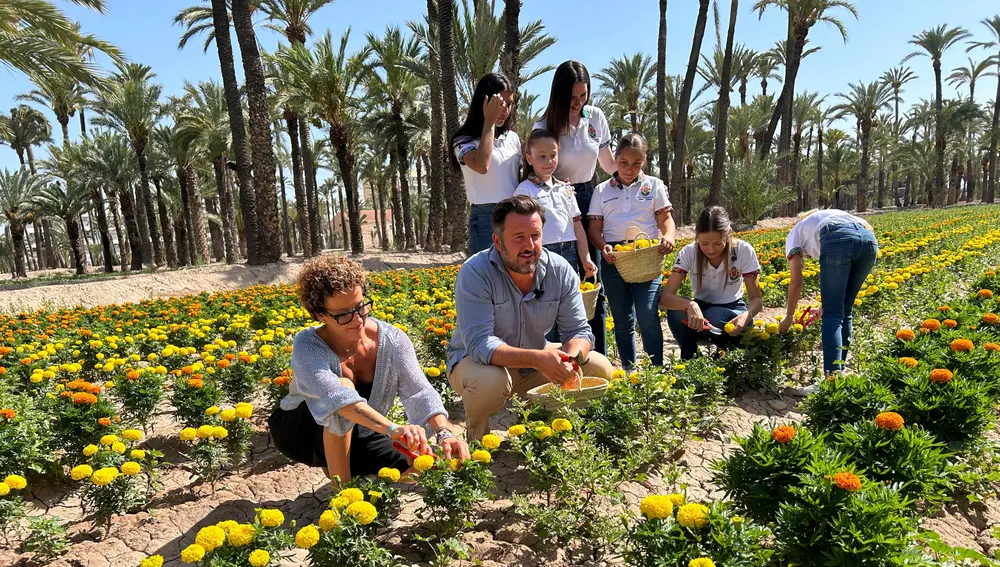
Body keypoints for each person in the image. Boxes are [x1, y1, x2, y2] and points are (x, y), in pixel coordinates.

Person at [269, 256, 469, 485]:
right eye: (343, 314)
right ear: (320, 315)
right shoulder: (308, 345)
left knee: (426, 468)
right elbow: (338, 400)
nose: (357, 320)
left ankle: (344, 462)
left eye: (360, 306)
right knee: (342, 389)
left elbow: (419, 392)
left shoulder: (392, 340)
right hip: (302, 432)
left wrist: (444, 432)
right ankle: (343, 496)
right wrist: (393, 429)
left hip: (363, 430)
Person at [447, 195, 614, 440]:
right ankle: (477, 443)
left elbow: (579, 331)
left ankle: (541, 427)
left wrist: (570, 359)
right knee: (489, 381)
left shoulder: (559, 270)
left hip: (535, 361)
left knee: (599, 367)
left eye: (535, 236)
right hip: (477, 362)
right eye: (519, 237)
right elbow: (480, 344)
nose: (529, 245)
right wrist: (539, 359)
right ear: (497, 241)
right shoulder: (475, 272)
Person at [534, 60, 616, 356]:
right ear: (558, 95)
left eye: (584, 96)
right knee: (559, 285)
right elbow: (538, 169)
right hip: (559, 203)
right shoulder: (543, 126)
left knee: (593, 282)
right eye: (572, 98)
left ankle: (598, 357)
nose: (579, 103)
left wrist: (634, 173)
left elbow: (608, 163)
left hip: (591, 196)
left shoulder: (595, 117)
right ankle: (560, 357)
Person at [587, 133, 675, 370]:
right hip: (614, 257)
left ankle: (655, 369)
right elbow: (594, 228)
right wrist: (602, 246)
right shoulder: (602, 190)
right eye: (624, 162)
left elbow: (665, 219)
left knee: (647, 315)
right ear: (615, 159)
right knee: (622, 319)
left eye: (636, 163)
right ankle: (628, 370)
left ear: (644, 161)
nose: (629, 168)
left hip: (646, 255)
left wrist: (668, 237)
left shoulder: (654, 185)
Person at [513, 129, 597, 343]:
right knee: (544, 309)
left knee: (567, 306)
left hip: (569, 253)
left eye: (553, 155)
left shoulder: (565, 189)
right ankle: (544, 359)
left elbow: (578, 226)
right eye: (542, 156)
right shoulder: (525, 190)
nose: (549, 161)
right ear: (529, 158)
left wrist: (585, 258)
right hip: (541, 255)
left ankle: (568, 358)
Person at [778, 208, 879, 383]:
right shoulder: (834, 215)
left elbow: (796, 281)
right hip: (869, 241)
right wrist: (824, 307)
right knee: (844, 311)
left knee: (833, 315)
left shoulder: (796, 231)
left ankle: (830, 380)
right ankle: (838, 377)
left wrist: (789, 317)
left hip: (837, 239)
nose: (807, 257)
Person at [661, 206, 763, 359]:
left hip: (733, 310)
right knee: (676, 312)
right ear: (697, 237)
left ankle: (726, 355)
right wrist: (690, 305)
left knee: (714, 315)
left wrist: (746, 316)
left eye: (717, 243)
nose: (710, 249)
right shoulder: (689, 252)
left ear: (728, 234)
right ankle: (691, 358)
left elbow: (756, 299)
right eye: (704, 243)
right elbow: (666, 298)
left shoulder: (743, 251)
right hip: (701, 307)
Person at [451, 72, 521, 255]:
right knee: (486, 276)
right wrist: (489, 122)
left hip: (515, 214)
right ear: (484, 102)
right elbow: (482, 165)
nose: (505, 110)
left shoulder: (512, 138)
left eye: (510, 104)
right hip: (485, 219)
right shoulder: (463, 141)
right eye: (500, 104)